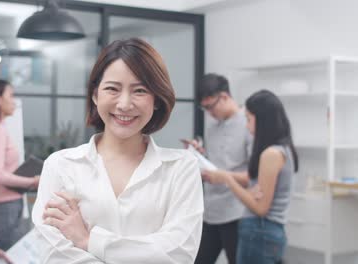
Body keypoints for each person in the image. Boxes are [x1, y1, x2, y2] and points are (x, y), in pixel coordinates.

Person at [31, 38, 204, 263]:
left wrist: (88, 241)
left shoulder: (181, 167)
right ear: (95, 95)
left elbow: (178, 254)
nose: (124, 104)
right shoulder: (61, 164)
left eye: (139, 90)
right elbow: (52, 255)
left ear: (157, 100)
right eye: (112, 88)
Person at [204, 90, 299, 264]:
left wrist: (227, 179)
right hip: (268, 232)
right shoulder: (283, 149)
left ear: (261, 120)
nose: (247, 126)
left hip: (259, 232)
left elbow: (260, 208)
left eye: (248, 119)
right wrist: (249, 191)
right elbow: (258, 195)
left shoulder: (270, 154)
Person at [184, 73, 252, 264]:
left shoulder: (249, 123)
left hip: (238, 212)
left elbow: (254, 177)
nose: (208, 112)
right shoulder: (212, 128)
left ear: (224, 97)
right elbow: (217, 165)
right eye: (204, 108)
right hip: (211, 211)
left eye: (210, 106)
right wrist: (200, 155)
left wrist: (222, 177)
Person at [0, 79, 40, 250]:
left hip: (11, 205)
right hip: (6, 208)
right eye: (11, 95)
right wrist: (32, 181)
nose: (14, 101)